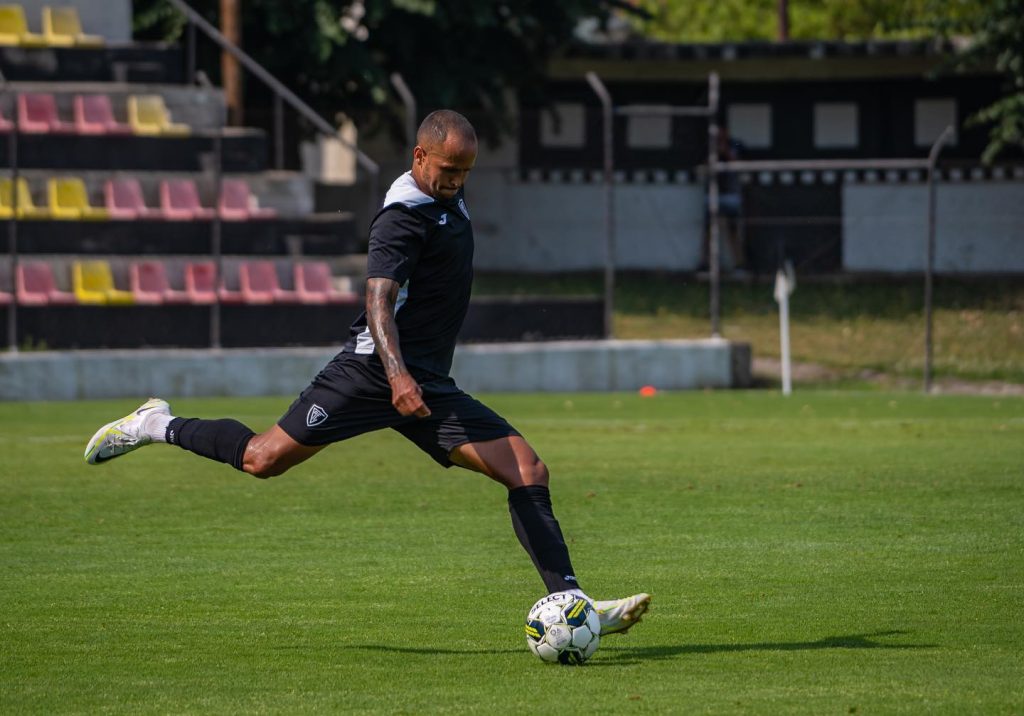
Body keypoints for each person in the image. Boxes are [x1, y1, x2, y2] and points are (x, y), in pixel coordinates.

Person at [84, 110, 650, 635]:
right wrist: (397, 375)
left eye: (465, 171)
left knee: (528, 470)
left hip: (426, 384)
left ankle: (573, 601)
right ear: (419, 157)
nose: (457, 180)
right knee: (262, 459)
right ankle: (156, 423)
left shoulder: (445, 197)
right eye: (449, 170)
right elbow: (379, 299)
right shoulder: (403, 216)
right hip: (371, 374)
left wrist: (415, 379)